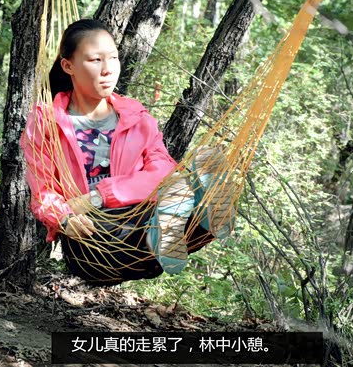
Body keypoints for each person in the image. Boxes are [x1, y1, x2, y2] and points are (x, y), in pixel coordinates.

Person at [20, 19, 234, 286]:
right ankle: (164, 231)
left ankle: (193, 219)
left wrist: (101, 195)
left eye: (113, 58)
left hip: (138, 219)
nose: (108, 69)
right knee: (130, 218)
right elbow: (42, 192)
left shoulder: (136, 116)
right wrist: (63, 218)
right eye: (96, 60)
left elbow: (164, 171)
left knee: (178, 196)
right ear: (68, 66)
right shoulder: (47, 122)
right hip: (92, 244)